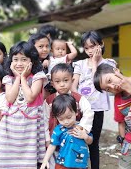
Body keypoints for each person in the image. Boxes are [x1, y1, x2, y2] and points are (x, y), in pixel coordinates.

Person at [0, 41, 48, 168]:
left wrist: (23, 78)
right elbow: (10, 98)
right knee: (7, 160)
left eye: (24, 59)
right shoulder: (8, 78)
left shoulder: (38, 77)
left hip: (30, 127)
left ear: (32, 61)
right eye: (15, 59)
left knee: (29, 161)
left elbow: (30, 98)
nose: (19, 63)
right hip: (11, 127)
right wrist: (17, 77)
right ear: (11, 61)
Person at [71, 31, 117, 169]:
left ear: (101, 44)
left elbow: (99, 83)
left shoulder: (109, 63)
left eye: (93, 46)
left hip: (97, 109)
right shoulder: (80, 64)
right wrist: (78, 103)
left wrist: (96, 64)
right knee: (76, 140)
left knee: (93, 142)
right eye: (86, 48)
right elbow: (73, 86)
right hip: (81, 109)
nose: (90, 51)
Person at [43, 63, 94, 169]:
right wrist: (47, 139)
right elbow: (44, 120)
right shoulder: (48, 101)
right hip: (55, 141)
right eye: (58, 81)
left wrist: (81, 128)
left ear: (72, 80)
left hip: (74, 141)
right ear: (52, 83)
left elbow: (89, 113)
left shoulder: (79, 99)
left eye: (66, 80)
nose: (62, 84)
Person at [41, 94, 93, 169]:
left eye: (69, 117)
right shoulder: (58, 130)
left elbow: (90, 141)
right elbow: (52, 145)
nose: (66, 122)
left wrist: (85, 136)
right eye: (61, 119)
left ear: (76, 112)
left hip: (80, 164)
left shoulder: (81, 127)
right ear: (56, 118)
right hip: (62, 164)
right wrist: (45, 160)